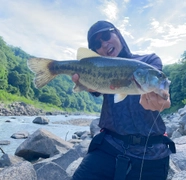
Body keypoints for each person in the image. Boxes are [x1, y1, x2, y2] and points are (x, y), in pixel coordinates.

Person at [71, 20, 175, 180]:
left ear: (117, 33)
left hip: (152, 152)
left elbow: (161, 88)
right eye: (96, 44)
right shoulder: (98, 70)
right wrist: (85, 84)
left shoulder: (149, 61)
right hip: (108, 147)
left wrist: (163, 100)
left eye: (106, 36)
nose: (104, 44)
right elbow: (95, 91)